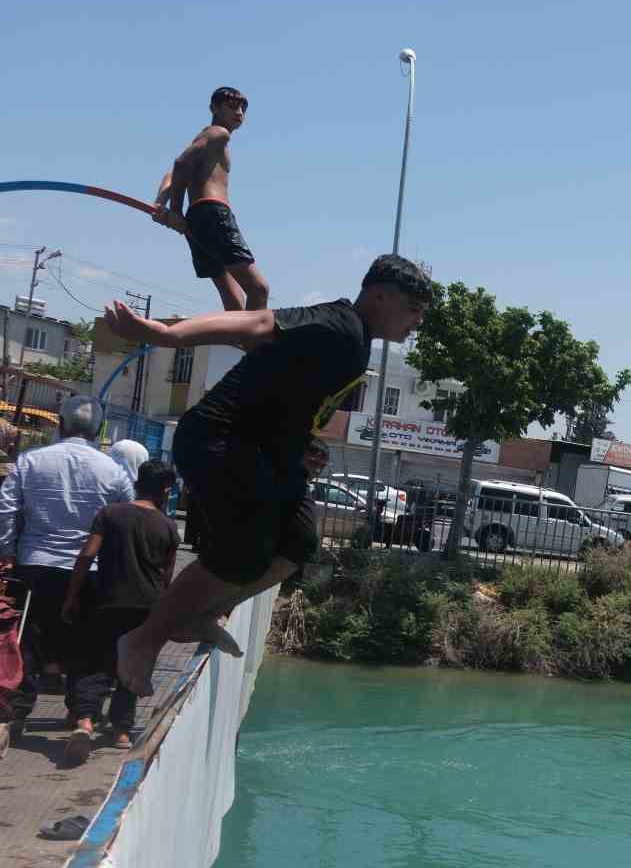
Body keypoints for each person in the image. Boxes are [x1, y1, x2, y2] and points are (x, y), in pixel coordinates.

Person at [101, 254, 431, 697]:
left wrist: (306, 444)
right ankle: (144, 638)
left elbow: (289, 397)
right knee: (243, 552)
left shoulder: (357, 344)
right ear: (380, 296)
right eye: (413, 310)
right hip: (221, 438)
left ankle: (202, 613)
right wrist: (165, 335)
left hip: (269, 451)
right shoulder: (338, 323)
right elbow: (256, 325)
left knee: (298, 542)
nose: (417, 323)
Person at [0, 396, 134, 750]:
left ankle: (17, 715)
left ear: (60, 424)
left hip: (34, 566)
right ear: (99, 430)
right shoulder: (113, 471)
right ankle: (83, 716)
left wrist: (7, 552)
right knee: (88, 644)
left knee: (26, 642)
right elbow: (126, 519)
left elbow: (6, 508)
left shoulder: (30, 461)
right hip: (89, 571)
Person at [61, 461, 180, 759]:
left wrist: (72, 596)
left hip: (106, 602)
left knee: (96, 662)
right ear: (166, 489)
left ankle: (85, 722)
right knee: (132, 667)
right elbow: (166, 578)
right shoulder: (167, 527)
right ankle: (122, 731)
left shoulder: (110, 513)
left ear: (138, 482)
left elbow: (87, 554)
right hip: (146, 608)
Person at [152, 86, 269, 311]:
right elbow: (180, 164)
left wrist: (160, 203)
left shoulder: (205, 138)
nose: (240, 113)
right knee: (259, 289)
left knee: (234, 301)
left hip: (197, 223)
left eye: (243, 108)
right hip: (213, 214)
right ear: (214, 108)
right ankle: (260, 346)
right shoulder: (218, 133)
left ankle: (245, 343)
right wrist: (175, 209)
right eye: (232, 106)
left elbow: (172, 174)